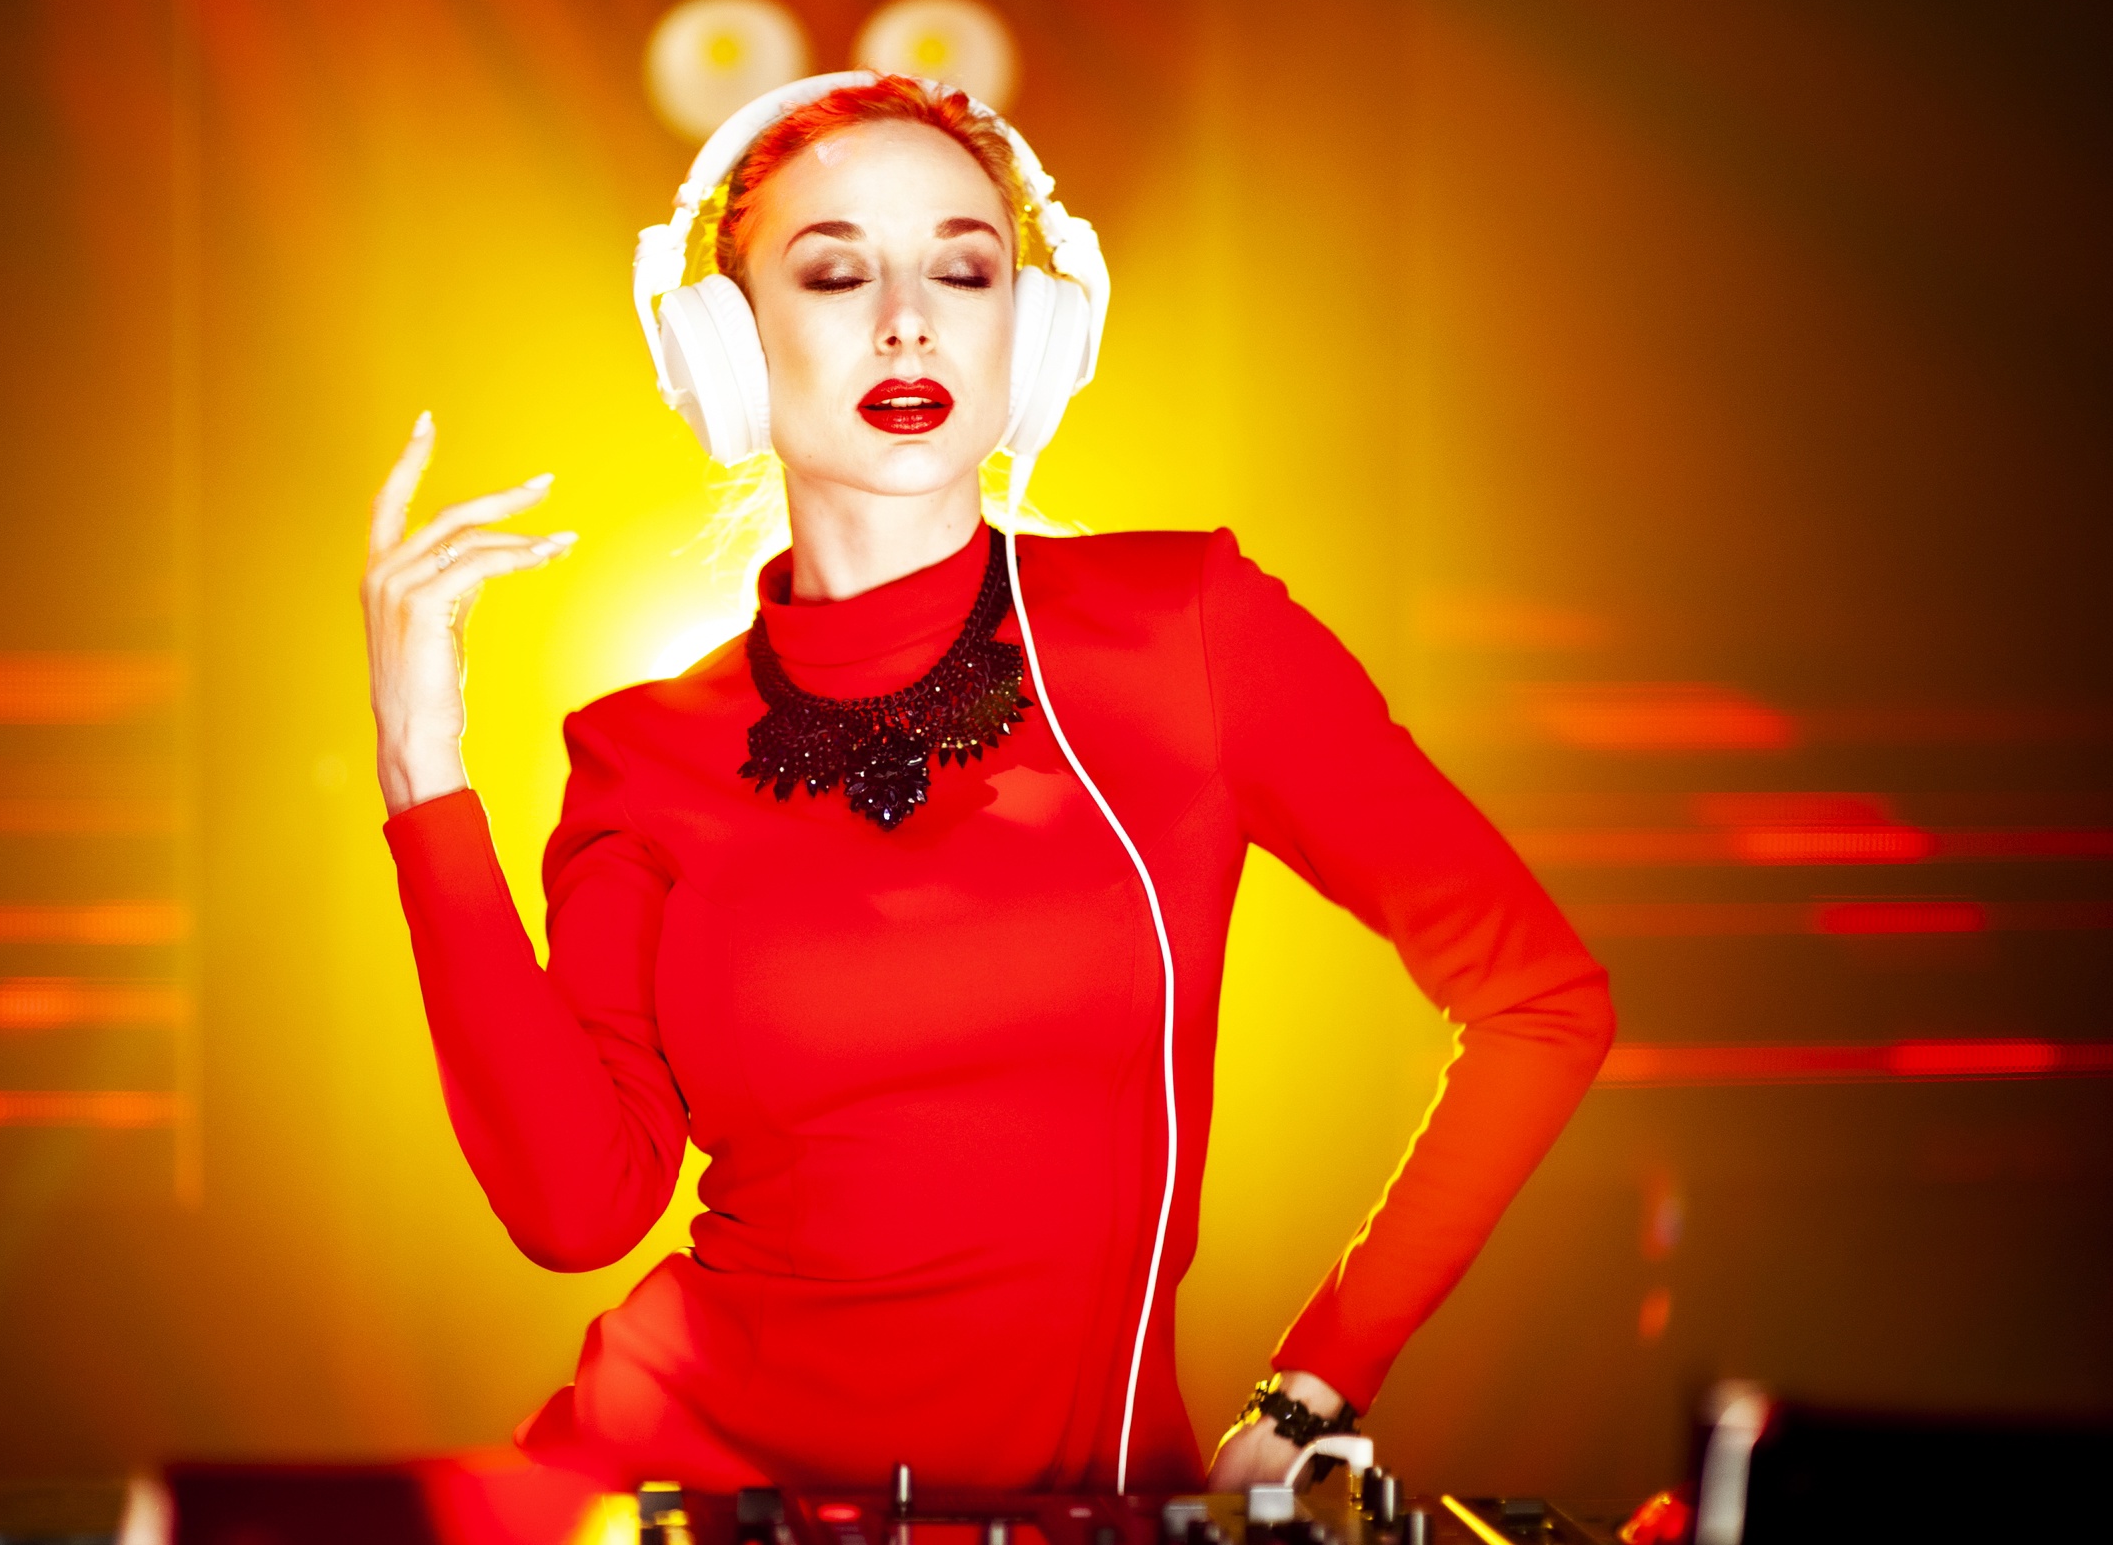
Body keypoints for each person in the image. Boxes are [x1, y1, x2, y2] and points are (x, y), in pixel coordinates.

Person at [358, 74, 1613, 1497]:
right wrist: (421, 766)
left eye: (963, 270)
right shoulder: (641, 753)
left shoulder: (1189, 631)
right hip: (669, 1498)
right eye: (836, 274)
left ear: (1037, 332)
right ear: (724, 347)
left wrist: (1319, 1386)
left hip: (1075, 1515)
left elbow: (1540, 1001)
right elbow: (577, 1211)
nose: (909, 321)